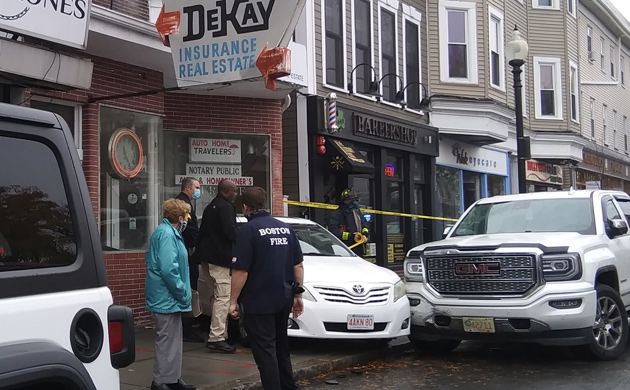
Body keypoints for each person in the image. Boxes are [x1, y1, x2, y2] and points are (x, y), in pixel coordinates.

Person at [229, 187, 304, 390]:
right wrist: (298, 294)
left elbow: (241, 271)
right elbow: (298, 265)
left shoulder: (248, 230)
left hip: (258, 301)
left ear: (245, 207)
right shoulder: (285, 228)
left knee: (265, 352)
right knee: (281, 348)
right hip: (283, 297)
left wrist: (233, 300)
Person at [145, 199, 196, 390]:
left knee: (173, 339)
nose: (188, 219)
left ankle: (171, 378)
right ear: (180, 217)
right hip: (166, 296)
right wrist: (183, 292)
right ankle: (161, 381)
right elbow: (168, 269)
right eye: (187, 215)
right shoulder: (167, 235)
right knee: (167, 339)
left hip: (167, 296)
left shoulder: (169, 233)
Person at [193, 179, 238, 353]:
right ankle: (217, 336)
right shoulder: (226, 208)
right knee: (223, 297)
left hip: (206, 258)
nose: (236, 194)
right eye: (234, 191)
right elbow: (230, 232)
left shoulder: (211, 206)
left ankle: (221, 332)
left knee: (215, 297)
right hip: (220, 259)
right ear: (226, 191)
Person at [175, 177, 204, 343]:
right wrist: (194, 245)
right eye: (197, 187)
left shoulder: (185, 202)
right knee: (190, 287)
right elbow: (189, 230)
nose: (199, 190)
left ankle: (188, 325)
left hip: (187, 250)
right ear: (188, 188)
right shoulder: (182, 204)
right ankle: (187, 327)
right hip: (187, 251)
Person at [328, 188, 370, 256]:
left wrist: (365, 235)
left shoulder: (357, 213)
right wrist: (351, 236)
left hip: (359, 249)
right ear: (344, 201)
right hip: (344, 250)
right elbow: (334, 233)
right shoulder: (336, 214)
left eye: (354, 200)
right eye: (350, 200)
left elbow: (365, 225)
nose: (353, 203)